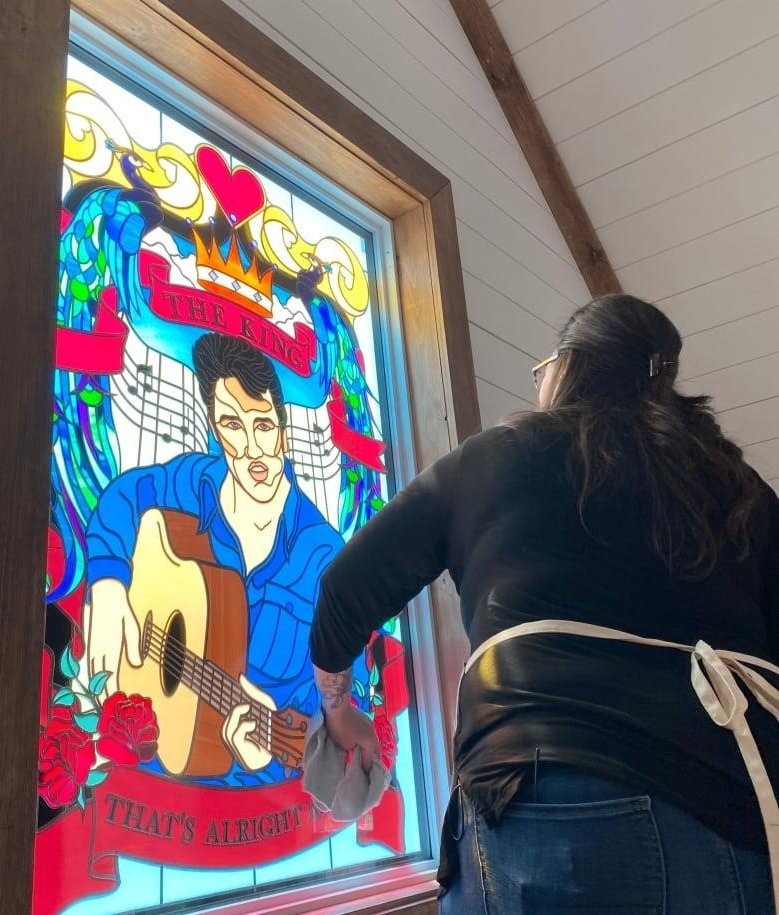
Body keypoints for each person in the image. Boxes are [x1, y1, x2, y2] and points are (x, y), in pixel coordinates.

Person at [309, 294, 779, 913]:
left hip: (549, 791)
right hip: (739, 808)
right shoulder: (735, 483)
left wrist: (340, 709)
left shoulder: (501, 456)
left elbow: (346, 587)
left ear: (568, 366)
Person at [86, 331, 343, 784]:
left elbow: (343, 705)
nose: (249, 449)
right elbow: (123, 496)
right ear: (213, 426)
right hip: (146, 765)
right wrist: (107, 585)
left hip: (256, 792)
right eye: (231, 425)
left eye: (262, 425)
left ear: (283, 433)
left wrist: (268, 755)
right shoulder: (193, 482)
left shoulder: (324, 558)